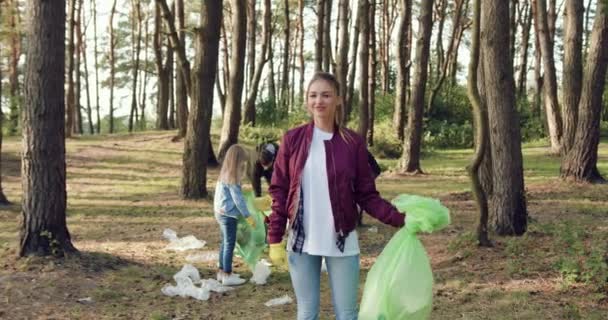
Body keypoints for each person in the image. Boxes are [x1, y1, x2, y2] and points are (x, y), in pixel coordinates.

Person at [266, 72, 407, 320]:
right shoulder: (292, 140)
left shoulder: (352, 142)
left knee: (347, 314)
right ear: (307, 100)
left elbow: (367, 195)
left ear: (338, 100)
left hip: (341, 238)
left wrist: (400, 219)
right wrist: (275, 237)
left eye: (326, 95)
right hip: (301, 240)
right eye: (313, 95)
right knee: (307, 312)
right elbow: (279, 190)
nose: (318, 101)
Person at [213, 144, 256, 286]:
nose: (243, 166)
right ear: (237, 162)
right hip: (228, 215)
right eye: (242, 163)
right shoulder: (232, 179)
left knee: (224, 242)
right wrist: (248, 216)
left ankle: (221, 271)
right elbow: (238, 200)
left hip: (220, 213)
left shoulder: (223, 175)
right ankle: (227, 275)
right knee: (229, 244)